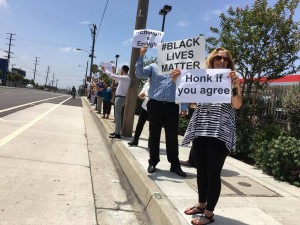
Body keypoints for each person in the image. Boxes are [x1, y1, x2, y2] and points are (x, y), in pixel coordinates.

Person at [172, 47, 242, 225]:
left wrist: (235, 86)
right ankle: (202, 204)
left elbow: (237, 104)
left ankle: (209, 214)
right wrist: (177, 82)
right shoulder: (202, 77)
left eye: (225, 59)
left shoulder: (231, 78)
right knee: (201, 169)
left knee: (213, 172)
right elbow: (193, 102)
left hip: (220, 130)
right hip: (201, 127)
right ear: (211, 60)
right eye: (218, 58)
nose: (222, 61)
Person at [135, 45, 188, 178]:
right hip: (155, 105)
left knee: (172, 137)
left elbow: (184, 87)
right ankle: (153, 161)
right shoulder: (153, 66)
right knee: (154, 134)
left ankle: (175, 165)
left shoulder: (179, 70)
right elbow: (139, 74)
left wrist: (184, 106)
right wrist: (141, 55)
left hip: (172, 106)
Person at [101, 65, 130, 139]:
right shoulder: (125, 78)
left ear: (123, 70)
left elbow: (113, 76)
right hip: (120, 98)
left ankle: (117, 134)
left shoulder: (125, 78)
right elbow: (116, 79)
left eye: (121, 70)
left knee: (118, 116)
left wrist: (105, 70)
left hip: (120, 98)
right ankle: (116, 131)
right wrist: (113, 71)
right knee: (117, 116)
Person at [128, 79, 150, 146]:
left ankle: (151, 142)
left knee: (153, 126)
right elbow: (141, 95)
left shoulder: (158, 83)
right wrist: (141, 95)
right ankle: (135, 140)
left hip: (155, 108)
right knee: (140, 124)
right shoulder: (146, 84)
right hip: (145, 107)